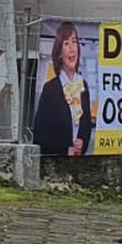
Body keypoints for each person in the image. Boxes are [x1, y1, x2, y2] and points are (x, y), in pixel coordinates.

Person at [33, 21, 95, 157]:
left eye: (74, 42)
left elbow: (87, 127)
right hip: (57, 165)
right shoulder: (51, 89)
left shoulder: (83, 87)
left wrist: (82, 142)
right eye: (66, 43)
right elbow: (39, 135)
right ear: (60, 53)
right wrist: (64, 150)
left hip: (79, 164)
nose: (72, 48)